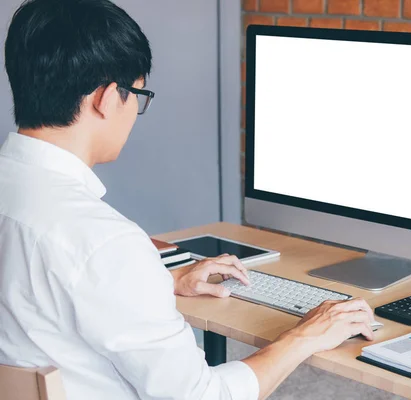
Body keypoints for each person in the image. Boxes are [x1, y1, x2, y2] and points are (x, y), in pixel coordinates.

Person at [0, 1, 376, 399]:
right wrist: (305, 336)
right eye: (138, 97)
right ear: (108, 98)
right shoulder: (103, 242)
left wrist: (157, 283)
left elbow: (42, 296)